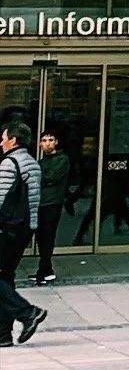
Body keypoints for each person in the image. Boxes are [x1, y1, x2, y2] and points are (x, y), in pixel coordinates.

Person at [0, 115, 45, 346]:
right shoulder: (33, 163)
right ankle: (3, 335)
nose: (1, 143)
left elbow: (1, 198)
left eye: (3, 138)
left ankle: (28, 313)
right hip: (24, 228)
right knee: (5, 278)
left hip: (5, 229)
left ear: (14, 140)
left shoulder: (9, 163)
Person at [32, 125, 67, 283]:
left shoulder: (62, 159)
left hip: (52, 203)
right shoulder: (40, 162)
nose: (47, 143)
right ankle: (47, 269)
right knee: (42, 237)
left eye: (50, 140)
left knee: (47, 237)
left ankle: (42, 271)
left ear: (56, 142)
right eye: (44, 141)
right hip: (41, 203)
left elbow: (50, 178)